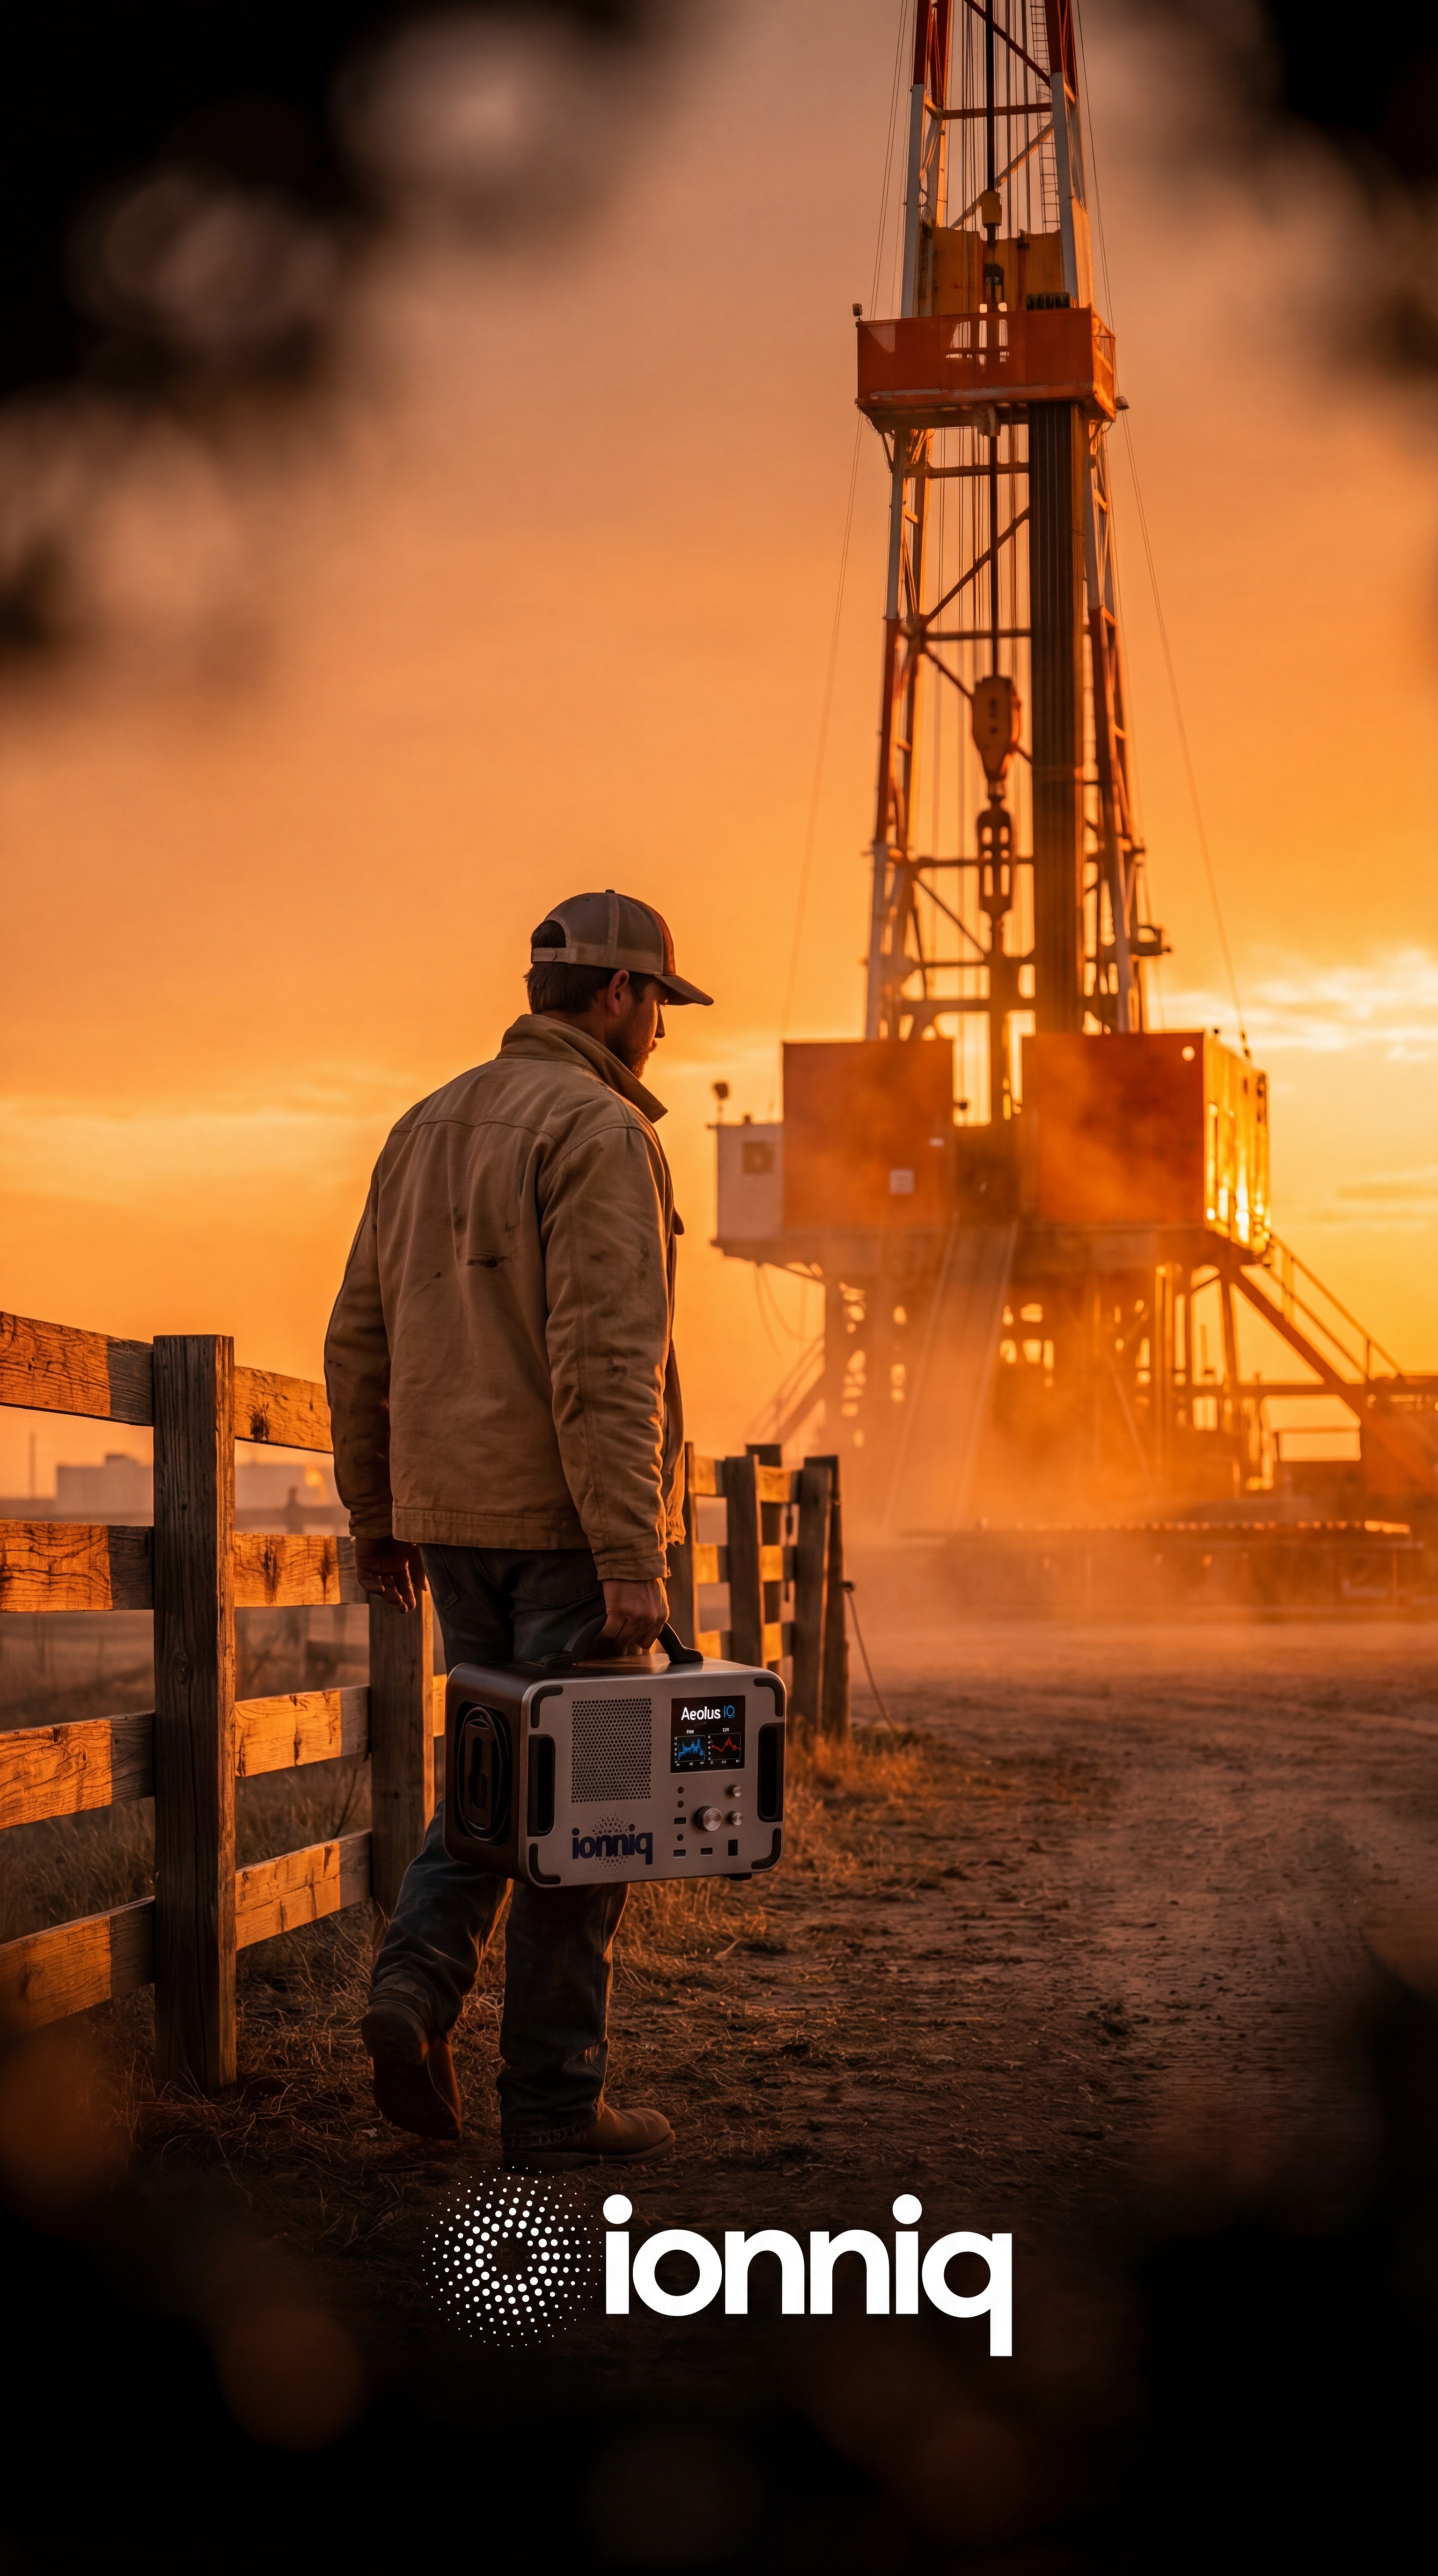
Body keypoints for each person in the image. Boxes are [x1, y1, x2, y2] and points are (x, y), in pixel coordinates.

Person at [323, 890, 711, 2168]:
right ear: (619, 997)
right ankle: (552, 2105)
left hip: (455, 1528)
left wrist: (379, 1513)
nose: (659, 1028)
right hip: (562, 1527)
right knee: (584, 1817)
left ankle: (415, 1989)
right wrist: (629, 1557)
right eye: (658, 1002)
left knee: (495, 1779)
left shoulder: (421, 1127)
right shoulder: (598, 1133)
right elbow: (604, 1359)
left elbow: (359, 1339)